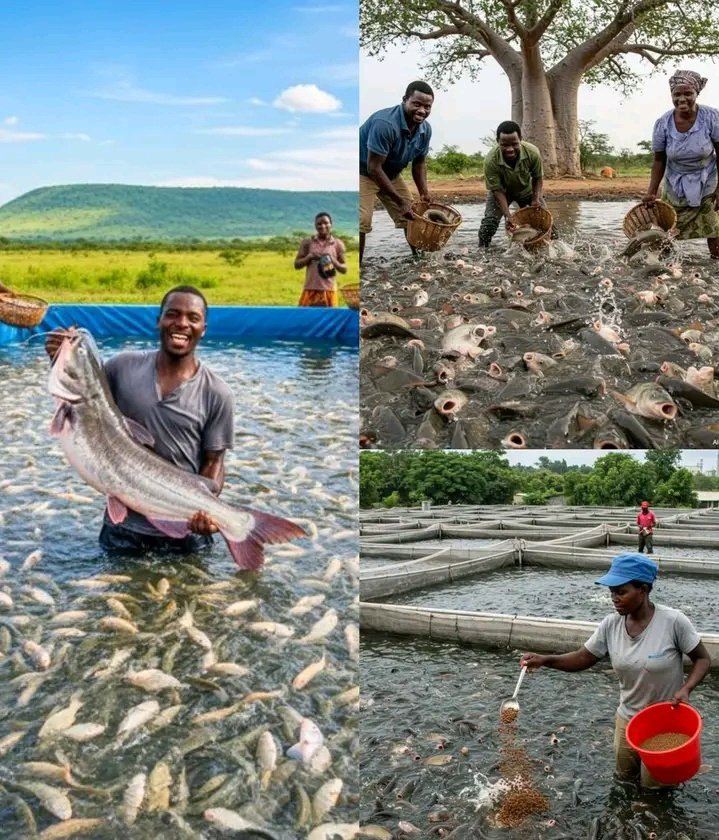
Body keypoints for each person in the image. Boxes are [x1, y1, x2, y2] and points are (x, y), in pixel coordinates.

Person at [45, 285, 234, 555]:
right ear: (159, 320)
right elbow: (87, 393)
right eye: (172, 314)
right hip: (123, 529)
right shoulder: (121, 367)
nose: (182, 323)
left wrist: (206, 510)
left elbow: (214, 462)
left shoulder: (217, 392)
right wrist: (57, 357)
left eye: (193, 318)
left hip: (185, 530)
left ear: (203, 328)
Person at [521, 553, 711, 788]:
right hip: (628, 719)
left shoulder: (673, 622)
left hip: (664, 720)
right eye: (612, 592)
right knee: (624, 781)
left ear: (643, 590)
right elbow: (583, 658)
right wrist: (545, 660)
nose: (614, 598)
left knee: (655, 788)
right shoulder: (611, 625)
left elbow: (702, 659)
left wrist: (686, 689)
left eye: (621, 592)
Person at [644, 70, 719, 259]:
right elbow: (659, 161)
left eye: (688, 93)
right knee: (665, 233)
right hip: (675, 183)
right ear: (671, 95)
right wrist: (651, 192)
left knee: (714, 228)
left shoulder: (711, 117)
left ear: (696, 93)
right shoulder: (663, 123)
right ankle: (667, 266)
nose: (682, 99)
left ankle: (715, 266)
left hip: (707, 180)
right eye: (677, 94)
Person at [359, 81, 434, 263]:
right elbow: (373, 167)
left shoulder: (425, 129)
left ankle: (419, 262)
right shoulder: (384, 124)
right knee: (362, 220)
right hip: (363, 171)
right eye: (416, 104)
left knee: (413, 217)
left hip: (390, 174)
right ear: (405, 100)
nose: (422, 111)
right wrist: (400, 202)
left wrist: (424, 193)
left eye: (427, 107)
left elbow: (419, 164)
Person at [478, 121, 554, 248]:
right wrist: (507, 215)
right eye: (504, 145)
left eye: (514, 144)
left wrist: (535, 199)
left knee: (546, 224)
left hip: (526, 191)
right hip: (502, 193)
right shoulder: (491, 160)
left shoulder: (532, 152)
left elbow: (537, 178)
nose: (510, 149)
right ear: (498, 141)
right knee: (489, 225)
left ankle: (551, 249)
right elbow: (497, 190)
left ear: (520, 139)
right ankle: (482, 251)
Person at [294, 212, 347, 307]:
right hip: (310, 289)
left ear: (331, 224)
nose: (323, 226)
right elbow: (297, 265)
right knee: (305, 315)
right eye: (319, 224)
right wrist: (309, 257)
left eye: (326, 223)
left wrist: (332, 260)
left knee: (330, 316)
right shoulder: (307, 242)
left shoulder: (337, 244)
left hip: (329, 290)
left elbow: (344, 269)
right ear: (315, 226)